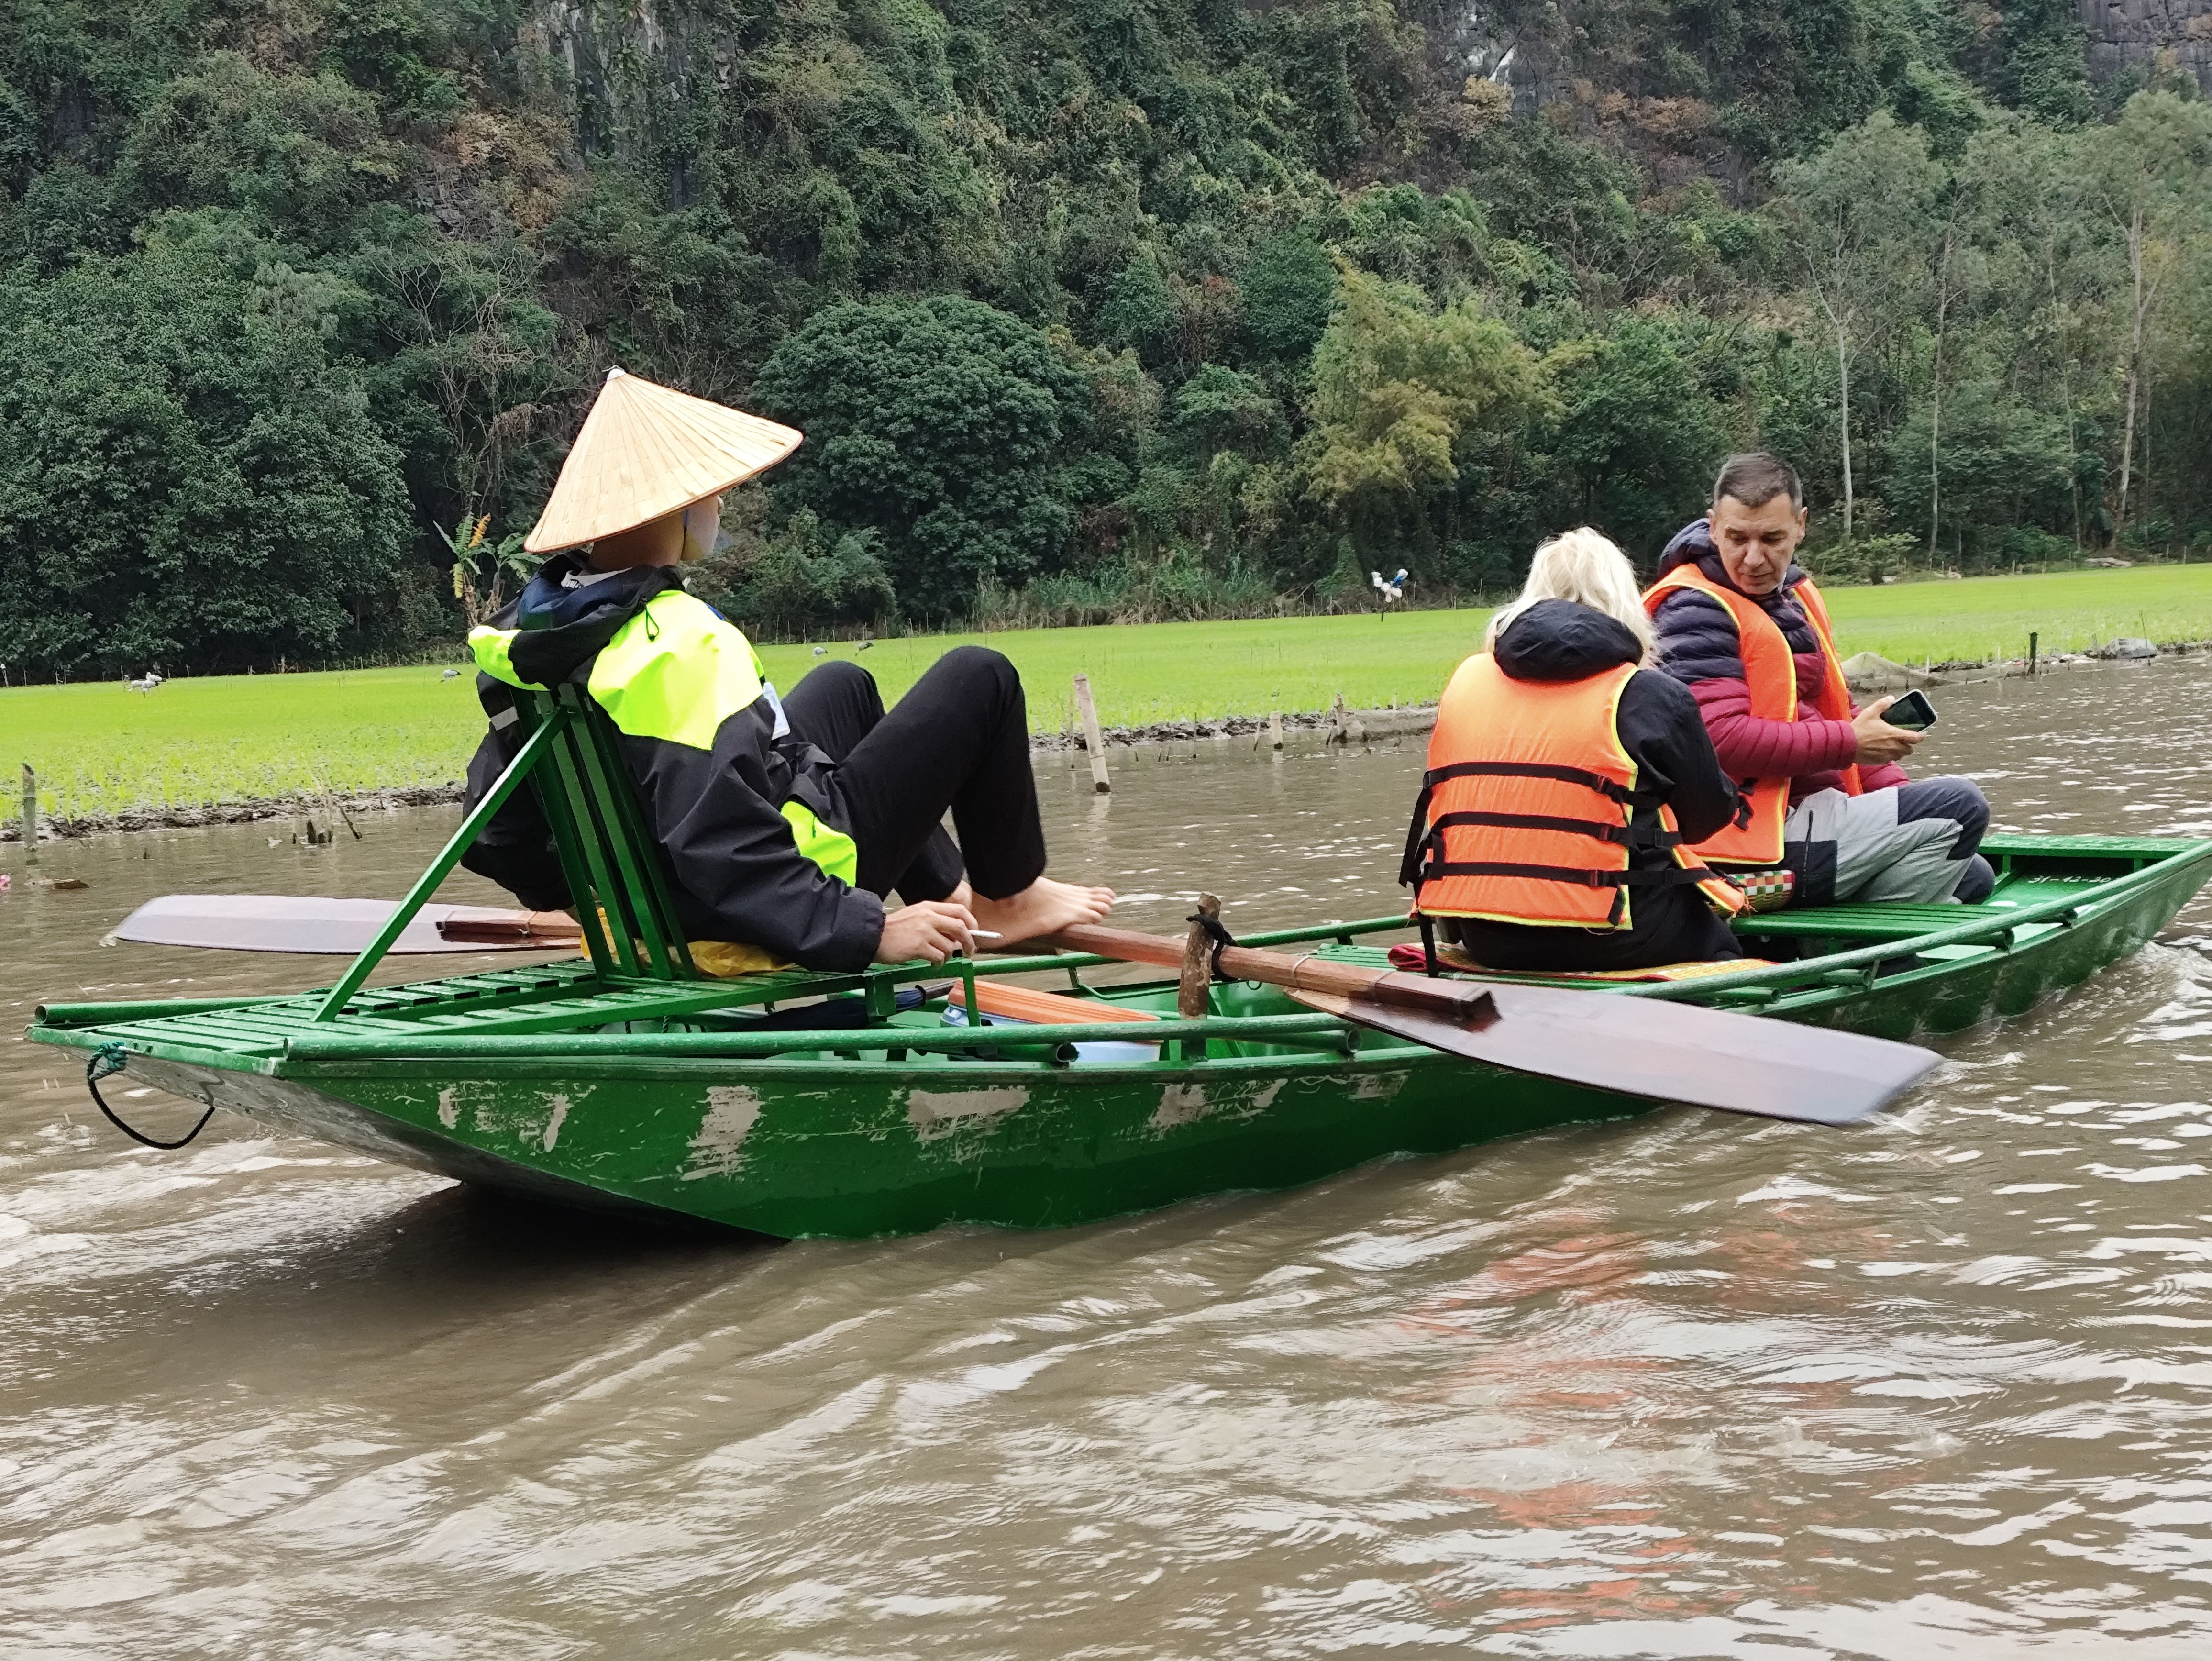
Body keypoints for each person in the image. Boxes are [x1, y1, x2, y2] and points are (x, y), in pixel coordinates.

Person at [459, 367, 1114, 971]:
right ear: (679, 507)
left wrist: (605, 905)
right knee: (981, 677)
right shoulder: (679, 645)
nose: (721, 508)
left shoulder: (534, 633)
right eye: (715, 495)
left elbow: (494, 828)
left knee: (845, 686)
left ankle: (948, 892)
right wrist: (863, 929)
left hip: (668, 894)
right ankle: (1010, 895)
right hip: (764, 894)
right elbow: (721, 837)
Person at [1645, 453, 1994, 908]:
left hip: (1807, 815)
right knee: (1962, 806)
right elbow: (1717, 737)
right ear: (1713, 527)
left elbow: (1833, 711)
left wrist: (1895, 793)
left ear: (1800, 526)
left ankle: (1847, 937)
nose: (1753, 558)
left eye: (1772, 538)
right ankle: (1864, 953)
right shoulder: (1694, 610)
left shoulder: (1789, 597)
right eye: (1737, 538)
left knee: (1973, 873)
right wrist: (1849, 742)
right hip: (1748, 843)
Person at [1401, 528, 1748, 973]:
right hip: (1616, 937)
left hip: (1486, 935)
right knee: (1721, 940)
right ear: (1626, 603)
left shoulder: (1466, 683)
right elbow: (1709, 818)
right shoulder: (1652, 694)